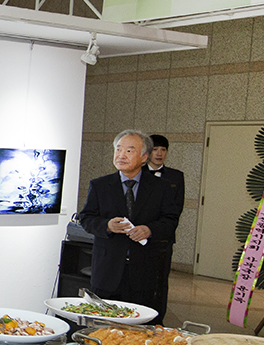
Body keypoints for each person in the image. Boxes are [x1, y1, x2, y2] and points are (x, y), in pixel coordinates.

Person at [78, 130, 181, 324]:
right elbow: (87, 218)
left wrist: (149, 230)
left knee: (139, 325)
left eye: (129, 151)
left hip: (144, 270)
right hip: (107, 270)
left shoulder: (161, 187)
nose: (121, 155)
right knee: (103, 325)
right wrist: (107, 225)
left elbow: (170, 220)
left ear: (144, 157)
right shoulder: (100, 185)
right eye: (118, 149)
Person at [147, 134, 186, 322]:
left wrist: (159, 229)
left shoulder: (176, 176)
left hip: (163, 238)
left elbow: (177, 208)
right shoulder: (137, 174)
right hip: (138, 236)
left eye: (163, 150)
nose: (159, 154)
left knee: (161, 280)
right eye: (155, 149)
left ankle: (158, 319)